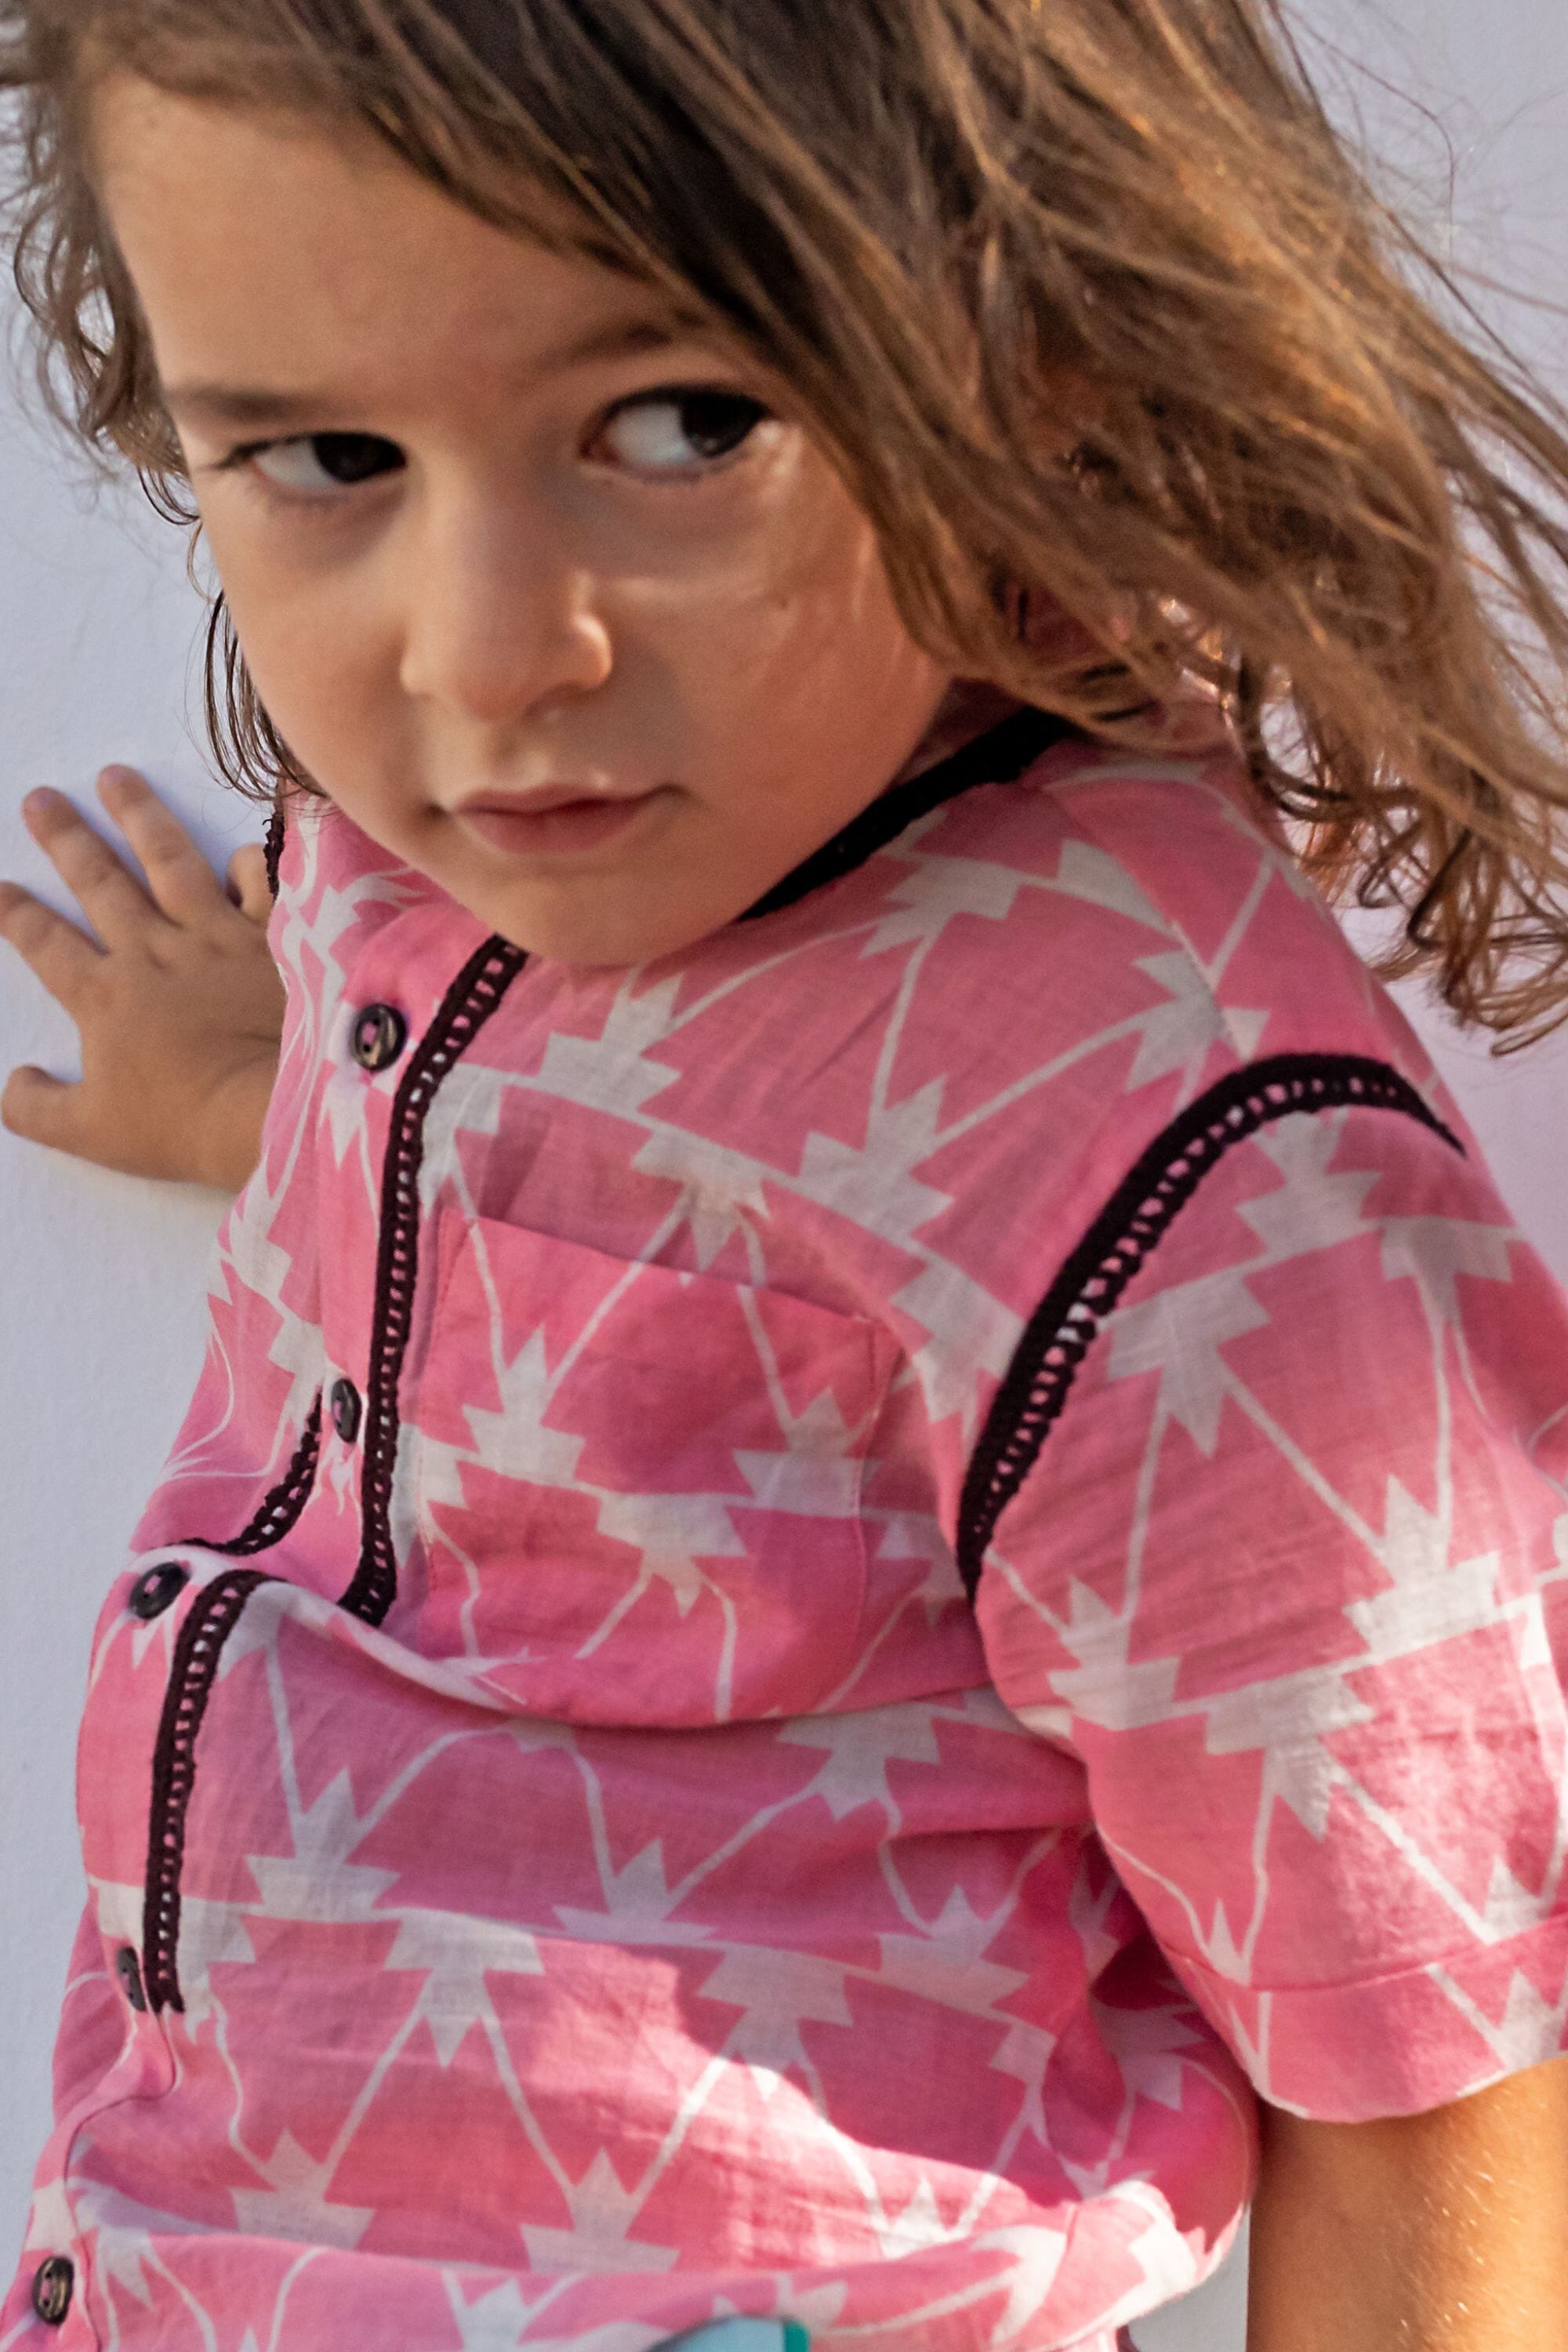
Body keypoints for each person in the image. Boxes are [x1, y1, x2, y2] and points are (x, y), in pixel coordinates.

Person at [2, 1, 1568, 2346]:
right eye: (328, 455)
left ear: (1037, 342)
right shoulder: (482, 840)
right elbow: (598, 1256)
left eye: (682, 423)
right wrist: (270, 1086)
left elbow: (1432, 2029)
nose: (490, 655)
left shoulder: (1181, 1163)